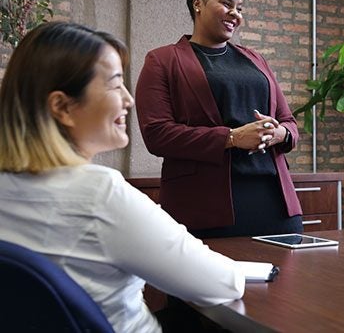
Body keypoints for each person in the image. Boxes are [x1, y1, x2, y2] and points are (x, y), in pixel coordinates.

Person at [0, 21, 245, 333]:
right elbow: (222, 284)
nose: (129, 100)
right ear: (62, 106)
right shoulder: (98, 194)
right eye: (115, 84)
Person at [135, 0, 303, 238]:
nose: (236, 14)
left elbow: (288, 121)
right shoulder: (163, 61)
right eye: (227, 3)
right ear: (198, 2)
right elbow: (157, 134)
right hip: (204, 208)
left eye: (240, 8)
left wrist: (280, 134)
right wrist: (232, 138)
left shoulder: (256, 60)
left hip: (275, 203)